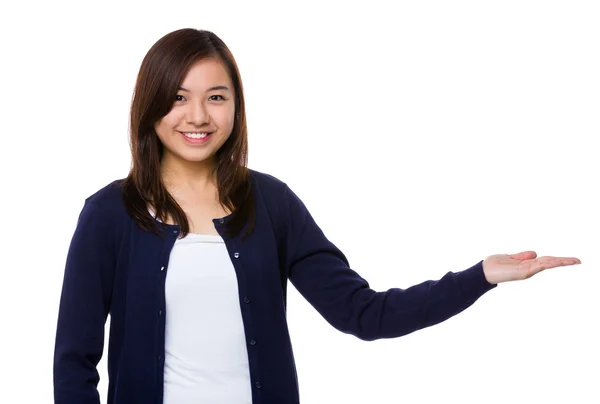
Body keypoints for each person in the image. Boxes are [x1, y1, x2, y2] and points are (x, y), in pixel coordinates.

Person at [53, 28, 581, 404]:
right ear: (150, 107)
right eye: (178, 98)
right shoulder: (109, 215)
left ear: (236, 107)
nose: (198, 116)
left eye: (216, 97)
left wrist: (480, 276)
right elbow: (74, 362)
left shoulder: (272, 204)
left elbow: (362, 313)